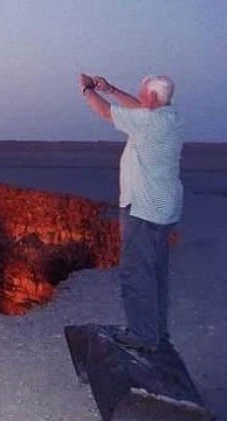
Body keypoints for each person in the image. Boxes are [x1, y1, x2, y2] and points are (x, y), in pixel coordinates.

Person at [79, 73, 184, 352]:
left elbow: (104, 112)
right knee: (155, 272)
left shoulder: (148, 122)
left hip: (144, 209)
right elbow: (138, 107)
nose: (138, 96)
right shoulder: (169, 116)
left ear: (151, 97)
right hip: (164, 209)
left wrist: (87, 89)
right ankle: (156, 332)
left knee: (136, 272)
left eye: (141, 93)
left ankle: (143, 335)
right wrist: (111, 89)